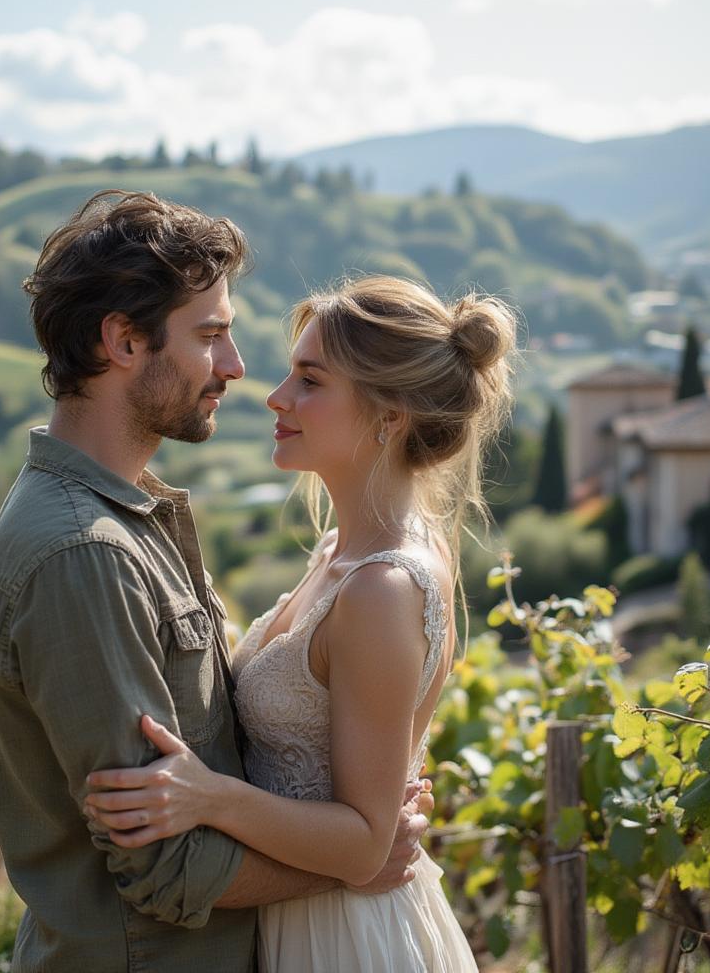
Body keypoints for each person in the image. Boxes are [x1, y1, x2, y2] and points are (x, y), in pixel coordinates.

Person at [0, 191, 433, 973]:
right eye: (211, 334)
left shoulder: (131, 523)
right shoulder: (89, 556)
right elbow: (164, 866)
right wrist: (355, 863)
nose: (237, 367)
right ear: (122, 341)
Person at [85, 274, 516, 971]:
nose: (277, 398)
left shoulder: (381, 586)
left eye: (310, 381)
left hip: (347, 942)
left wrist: (209, 797)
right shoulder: (349, 553)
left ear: (390, 414)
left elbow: (365, 842)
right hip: (310, 923)